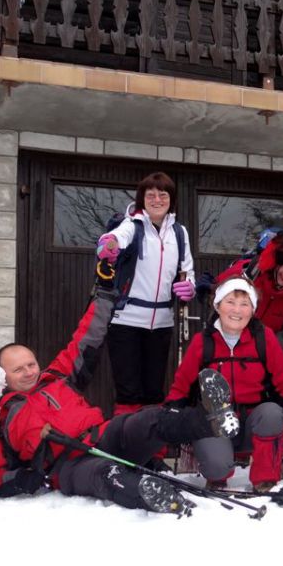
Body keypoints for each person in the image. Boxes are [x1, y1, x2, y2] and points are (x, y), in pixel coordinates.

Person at [0, 288, 234, 515]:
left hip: (102, 436)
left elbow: (85, 338)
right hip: (67, 466)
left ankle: (211, 420)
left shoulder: (57, 377)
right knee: (107, 475)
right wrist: (21, 478)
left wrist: (105, 295)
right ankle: (156, 496)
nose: (29, 372)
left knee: (152, 418)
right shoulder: (0, 417)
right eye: (18, 370)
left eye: (31, 364)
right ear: (2, 375)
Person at [165, 277, 283, 493]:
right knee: (217, 466)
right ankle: (217, 476)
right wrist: (171, 413)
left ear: (252, 310)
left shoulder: (263, 338)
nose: (237, 310)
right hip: (214, 422)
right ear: (218, 305)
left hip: (252, 422)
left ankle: (264, 480)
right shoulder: (203, 341)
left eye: (244, 304)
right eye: (230, 302)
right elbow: (181, 386)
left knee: (272, 412)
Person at [96, 171, 195, 415]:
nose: (157, 200)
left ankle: (153, 449)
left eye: (163, 194)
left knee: (154, 391)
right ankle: (127, 448)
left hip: (161, 323)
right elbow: (116, 238)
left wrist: (189, 287)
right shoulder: (132, 225)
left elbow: (187, 270)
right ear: (142, 199)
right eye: (150, 195)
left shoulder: (180, 233)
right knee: (128, 391)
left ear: (171, 199)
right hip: (126, 321)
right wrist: (108, 244)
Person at [214, 229, 283, 336]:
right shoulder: (249, 272)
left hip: (264, 345)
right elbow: (212, 294)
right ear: (276, 262)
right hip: (228, 338)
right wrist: (205, 289)